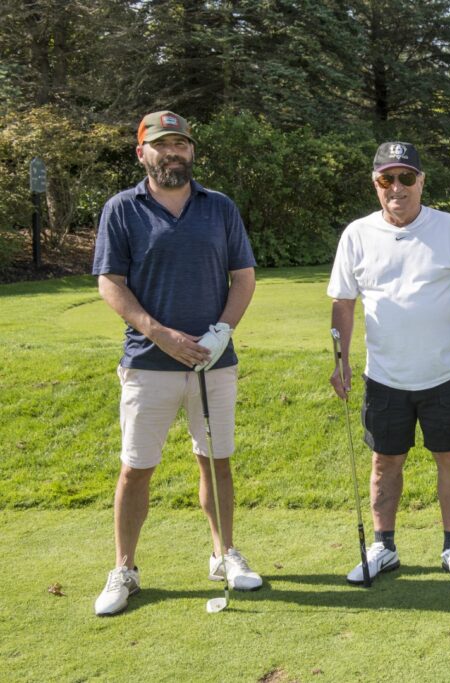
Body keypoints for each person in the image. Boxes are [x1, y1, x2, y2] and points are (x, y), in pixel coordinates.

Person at [92, 110, 261, 616]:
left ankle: (224, 554)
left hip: (214, 362)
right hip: (148, 362)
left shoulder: (219, 206)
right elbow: (110, 283)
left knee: (217, 461)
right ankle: (124, 569)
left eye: (180, 144)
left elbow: (244, 277)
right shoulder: (122, 208)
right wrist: (159, 333)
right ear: (141, 152)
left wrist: (221, 331)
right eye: (162, 145)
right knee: (135, 469)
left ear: (191, 151)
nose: (173, 152)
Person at [328, 141, 450, 586]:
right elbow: (343, 302)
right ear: (375, 183)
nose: (396, 187)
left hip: (446, 373)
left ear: (421, 181)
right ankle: (384, 547)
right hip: (385, 376)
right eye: (387, 179)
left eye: (406, 177)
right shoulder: (357, 234)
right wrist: (341, 360)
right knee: (385, 462)